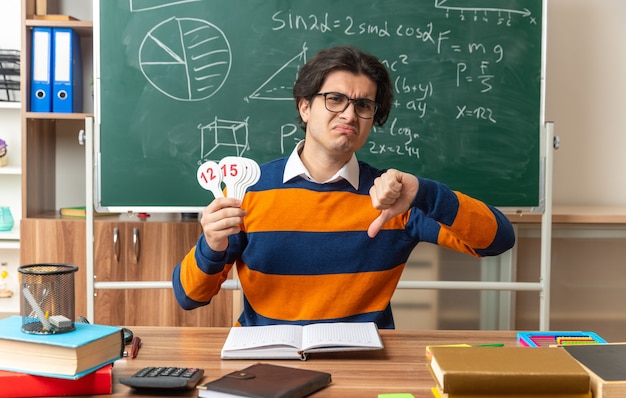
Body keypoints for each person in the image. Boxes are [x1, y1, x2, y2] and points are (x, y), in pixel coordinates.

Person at [172, 46, 515, 328]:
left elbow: (498, 241)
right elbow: (189, 297)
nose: (350, 115)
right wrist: (212, 245)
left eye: (364, 105)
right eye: (335, 99)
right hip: (266, 360)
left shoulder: (393, 197)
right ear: (305, 106)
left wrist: (424, 193)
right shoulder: (248, 190)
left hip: (362, 366)